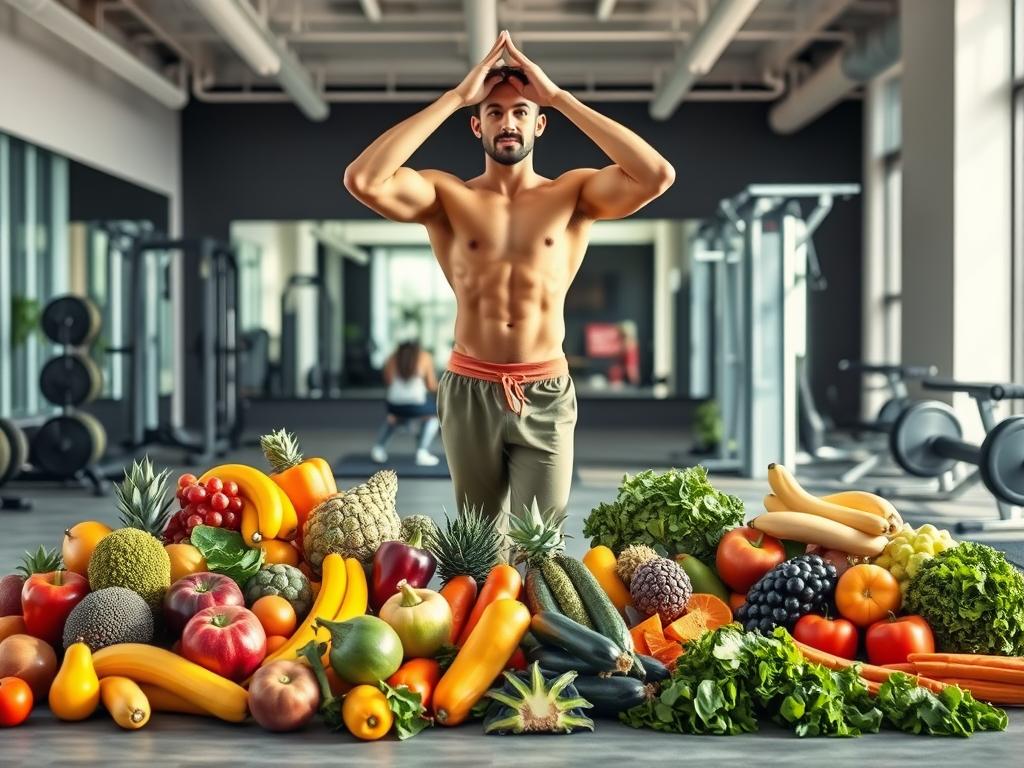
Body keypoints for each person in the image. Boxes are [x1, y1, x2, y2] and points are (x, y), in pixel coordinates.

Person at [344, 30, 674, 532]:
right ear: (476, 125)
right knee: (478, 544)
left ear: (539, 124)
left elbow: (656, 175)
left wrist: (559, 97)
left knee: (539, 544)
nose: (508, 123)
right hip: (469, 387)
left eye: (521, 111)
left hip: (544, 388)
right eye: (494, 113)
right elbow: (363, 180)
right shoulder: (447, 197)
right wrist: (455, 97)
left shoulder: (573, 194)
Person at [370, 340, 441, 466]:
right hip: (416, 406)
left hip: (394, 405)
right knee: (433, 418)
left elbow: (388, 381)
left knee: (394, 418)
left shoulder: (392, 358)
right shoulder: (424, 357)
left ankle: (378, 449)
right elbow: (431, 385)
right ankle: (422, 452)